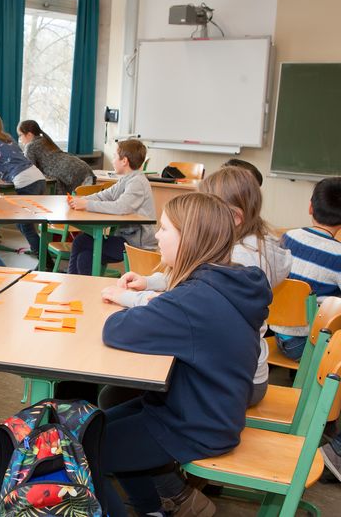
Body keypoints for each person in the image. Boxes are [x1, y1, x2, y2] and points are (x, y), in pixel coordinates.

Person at [99, 192, 271, 517]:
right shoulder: (226, 280)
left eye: (164, 229)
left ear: (189, 238)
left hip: (195, 425)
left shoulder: (192, 300)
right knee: (93, 426)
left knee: (82, 451)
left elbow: (116, 330)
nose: (157, 236)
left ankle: (148, 506)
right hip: (205, 408)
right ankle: (152, 509)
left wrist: (152, 305)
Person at [200, 166, 292, 402]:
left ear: (235, 218)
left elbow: (199, 308)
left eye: (206, 210)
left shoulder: (238, 260)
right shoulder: (257, 246)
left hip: (237, 381)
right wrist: (152, 281)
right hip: (248, 372)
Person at [272, 177, 341, 360]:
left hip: (274, 334)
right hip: (308, 345)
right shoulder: (338, 255)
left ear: (311, 207)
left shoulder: (288, 237)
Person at [67, 139, 156, 275]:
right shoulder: (126, 179)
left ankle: (72, 281)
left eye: (115, 156)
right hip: (126, 238)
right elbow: (105, 195)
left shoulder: (137, 182)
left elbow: (120, 207)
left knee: (81, 241)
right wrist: (81, 200)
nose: (113, 160)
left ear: (124, 161)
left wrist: (87, 205)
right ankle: (78, 285)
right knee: (85, 258)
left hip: (136, 244)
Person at [0, 109, 46, 254]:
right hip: (38, 177)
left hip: (26, 181)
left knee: (25, 224)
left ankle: (45, 259)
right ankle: (38, 250)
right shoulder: (7, 138)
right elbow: (11, 160)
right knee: (23, 222)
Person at [17, 119, 95, 194]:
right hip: (84, 168)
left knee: (75, 201)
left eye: (20, 135)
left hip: (71, 174)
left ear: (29, 134)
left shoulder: (30, 146)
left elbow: (28, 171)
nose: (20, 139)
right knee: (83, 200)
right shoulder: (45, 140)